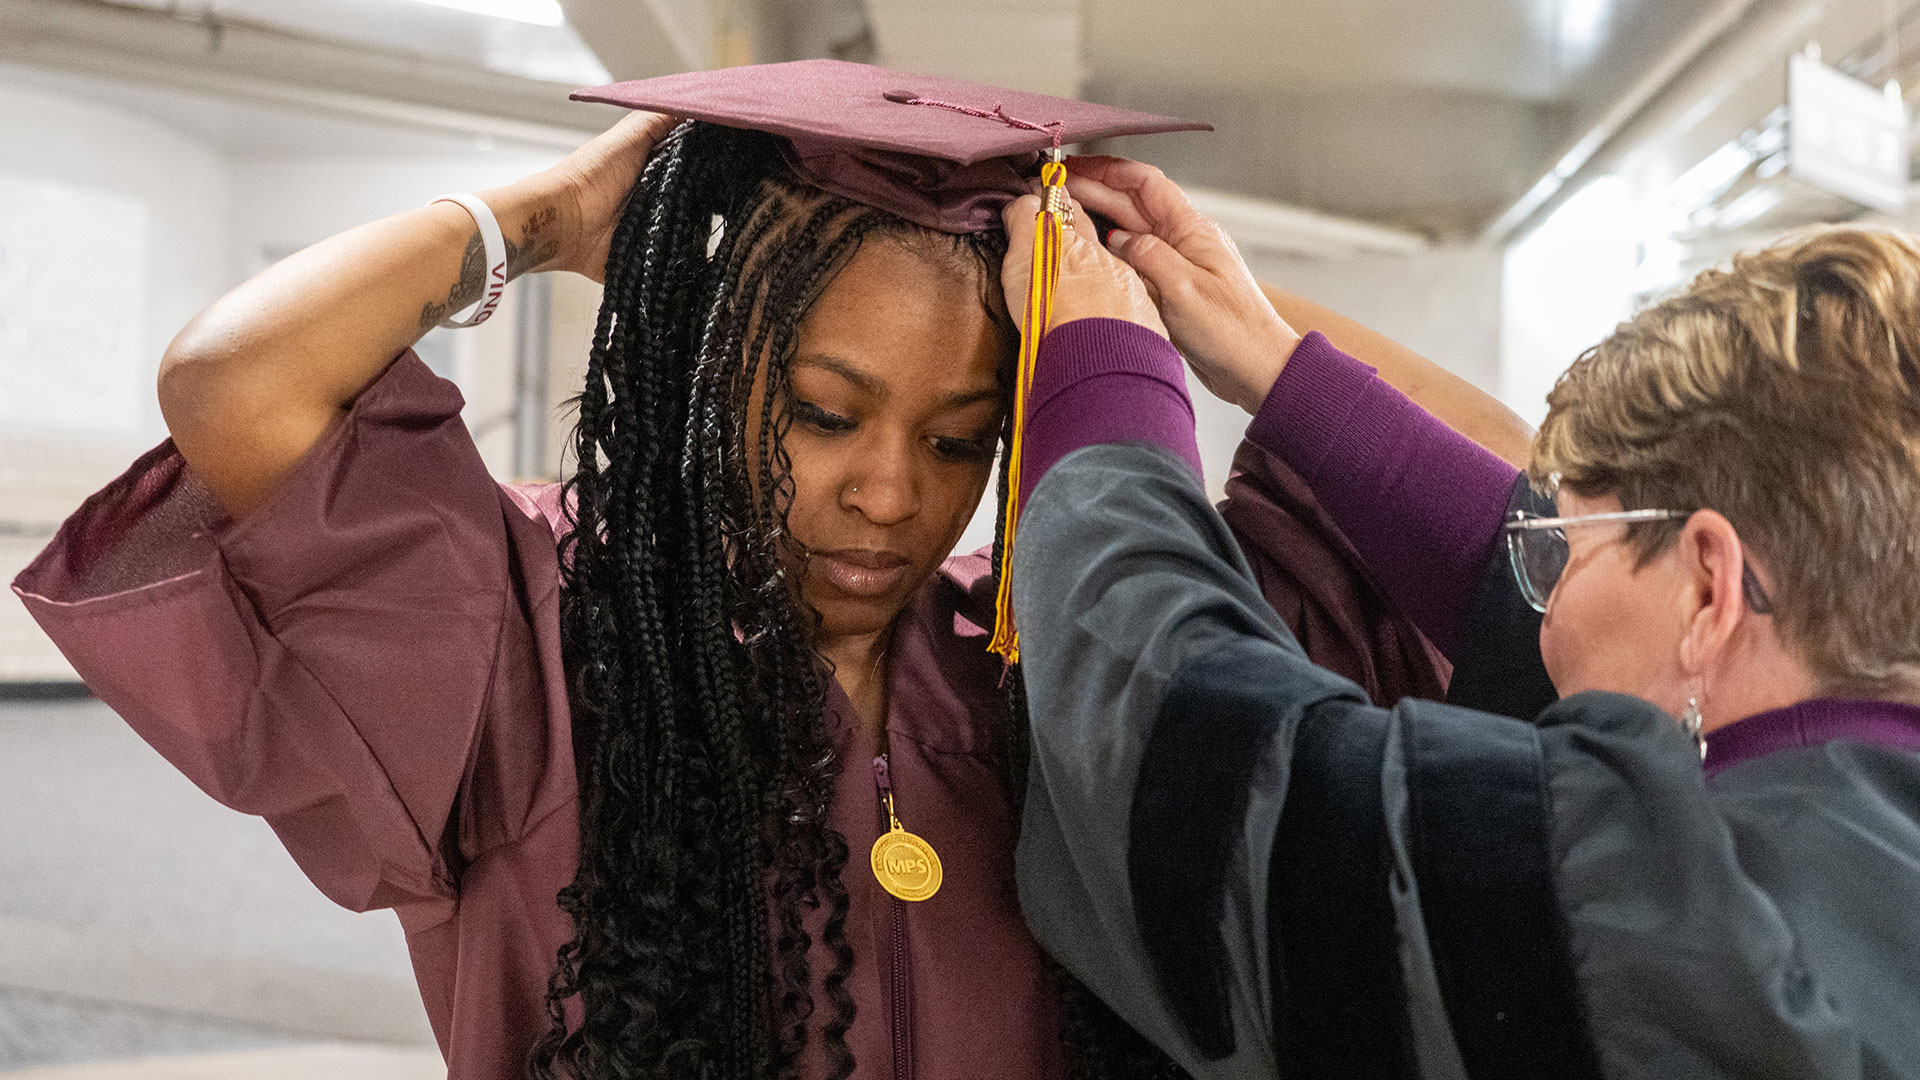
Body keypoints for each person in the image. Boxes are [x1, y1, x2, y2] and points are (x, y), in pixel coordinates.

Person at [10, 61, 1513, 1080]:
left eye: (959, 438)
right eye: (823, 413)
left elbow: (1504, 517)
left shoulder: (1067, 666)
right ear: (712, 376)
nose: (888, 493)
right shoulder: (535, 634)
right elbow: (234, 383)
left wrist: (1186, 297)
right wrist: (541, 222)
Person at [1001, 157, 1920, 1079]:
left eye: (1566, 553)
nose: (1543, 612)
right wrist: (1280, 370)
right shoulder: (1870, 850)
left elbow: (1210, 797)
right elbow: (1508, 598)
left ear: (1711, 590)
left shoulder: (1679, 919)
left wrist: (1103, 369)